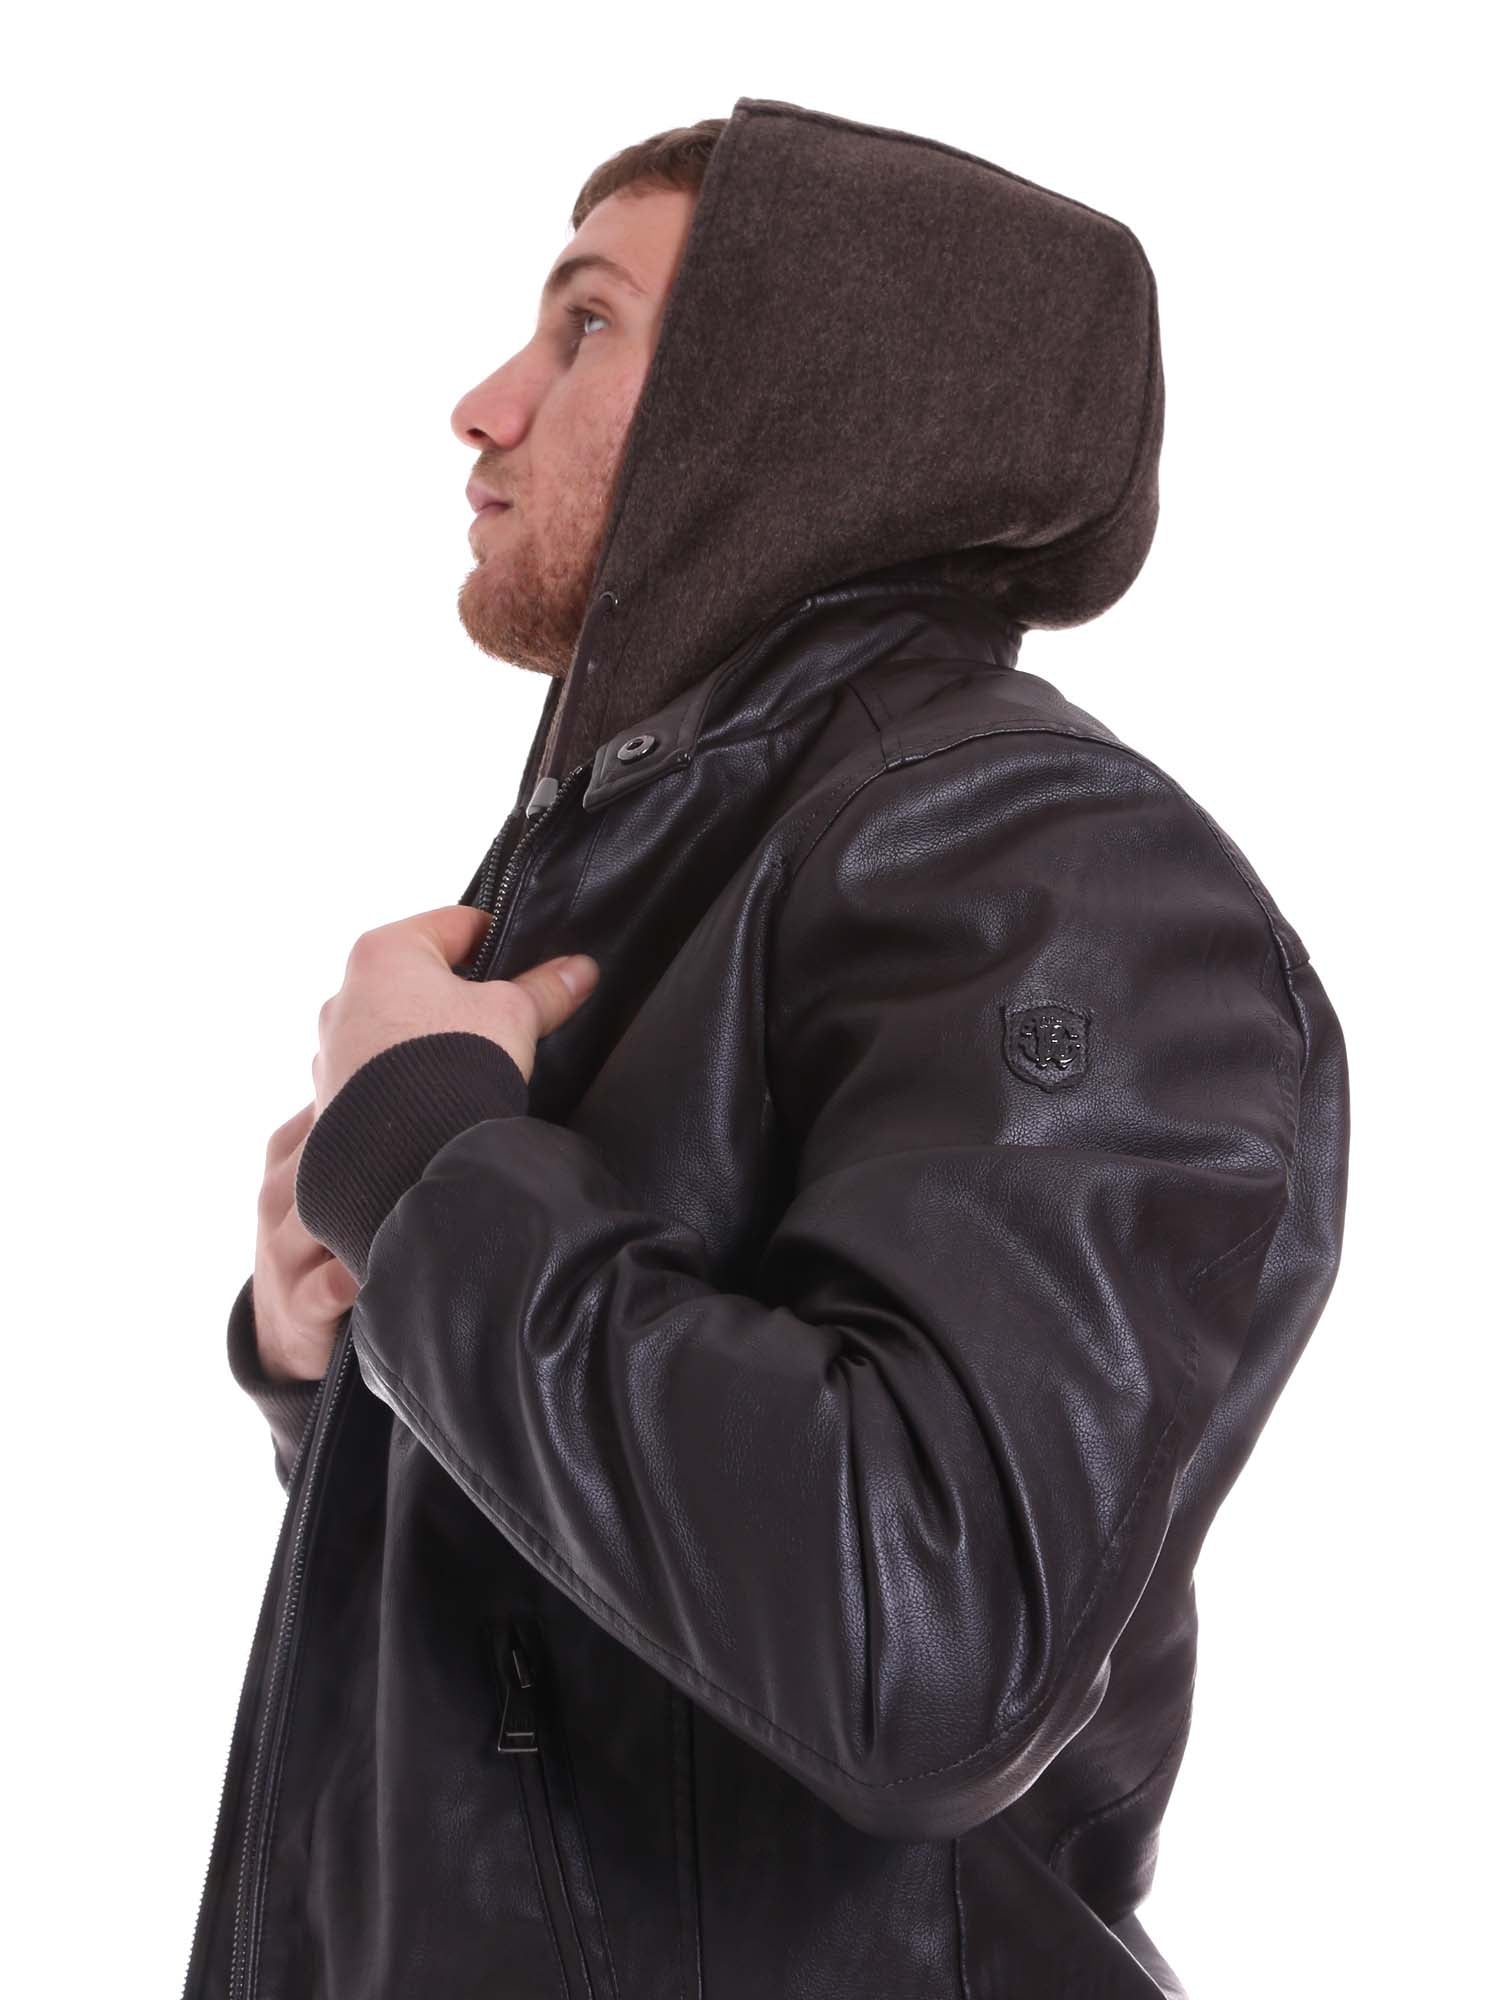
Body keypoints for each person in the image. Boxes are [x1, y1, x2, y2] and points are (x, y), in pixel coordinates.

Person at [185, 96, 1351, 2000]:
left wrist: (435, 1171)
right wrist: (354, 1340)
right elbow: (632, 1669)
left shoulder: (1038, 858)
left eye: (585, 325)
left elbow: (928, 1646)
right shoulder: (686, 860)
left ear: (787, 394)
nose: (483, 406)